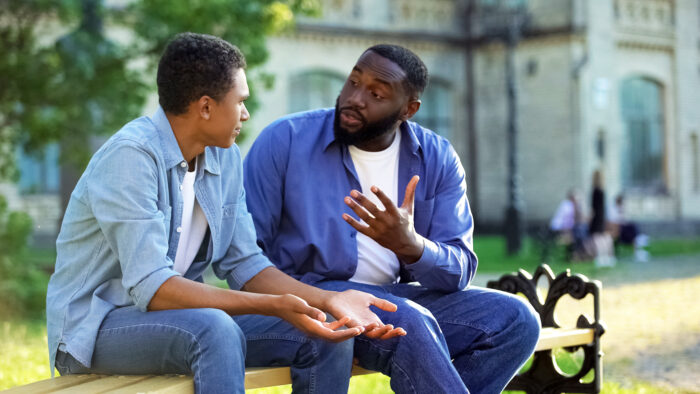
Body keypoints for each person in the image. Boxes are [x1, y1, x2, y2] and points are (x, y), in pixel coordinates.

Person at [46, 33, 404, 394]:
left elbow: (245, 262)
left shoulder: (223, 155)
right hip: (94, 331)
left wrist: (327, 300)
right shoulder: (131, 157)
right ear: (205, 107)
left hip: (176, 322)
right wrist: (272, 306)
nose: (246, 114)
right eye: (241, 101)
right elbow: (153, 288)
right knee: (214, 329)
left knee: (326, 331)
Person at [243, 44, 541, 394]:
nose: (355, 98)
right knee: (410, 320)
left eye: (376, 93)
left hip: (394, 297)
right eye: (353, 82)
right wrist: (316, 298)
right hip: (310, 297)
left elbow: (460, 267)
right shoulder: (286, 141)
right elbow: (245, 258)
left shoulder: (437, 158)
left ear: (408, 109)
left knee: (516, 320)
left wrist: (412, 246)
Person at [547, 188, 587, 260]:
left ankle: (576, 254)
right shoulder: (567, 206)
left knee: (579, 231)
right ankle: (577, 254)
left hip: (564, 229)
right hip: (558, 230)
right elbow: (566, 223)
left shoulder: (569, 205)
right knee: (579, 232)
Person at [588, 170, 616, 267]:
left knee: (597, 239)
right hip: (602, 217)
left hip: (596, 218)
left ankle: (600, 257)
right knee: (603, 238)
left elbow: (593, 208)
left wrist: (590, 219)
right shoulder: (603, 191)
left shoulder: (595, 191)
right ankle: (608, 257)